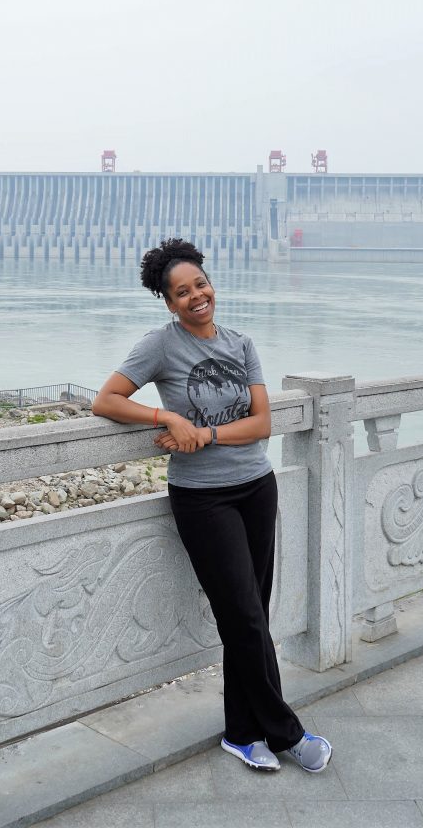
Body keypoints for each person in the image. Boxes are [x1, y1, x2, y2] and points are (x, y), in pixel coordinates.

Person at [92, 238, 332, 773]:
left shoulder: (242, 343)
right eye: (182, 292)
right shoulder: (160, 346)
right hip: (203, 500)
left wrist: (205, 433)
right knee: (244, 616)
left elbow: (262, 424)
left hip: (256, 485)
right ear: (168, 301)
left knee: (250, 615)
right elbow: (105, 399)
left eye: (200, 284)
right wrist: (166, 420)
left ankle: (242, 732)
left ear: (209, 283)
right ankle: (286, 733)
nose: (196, 296)